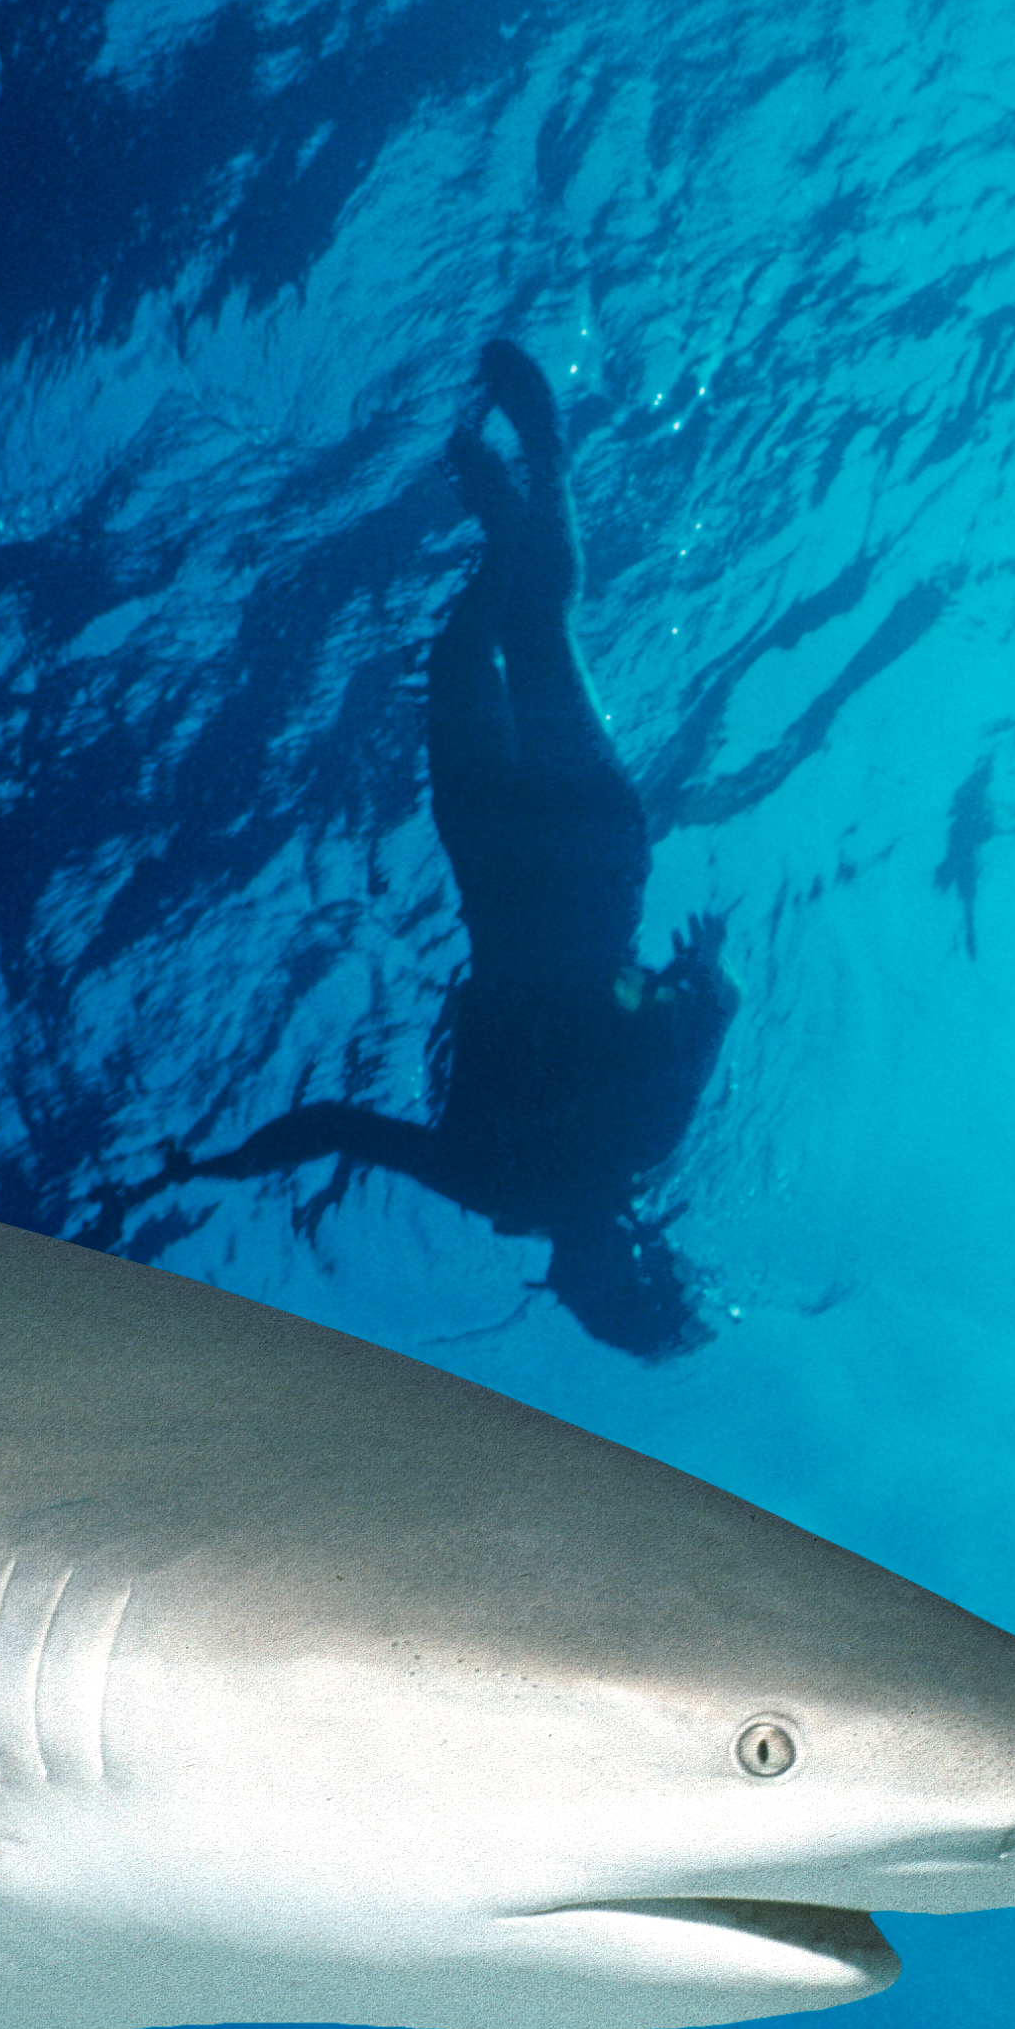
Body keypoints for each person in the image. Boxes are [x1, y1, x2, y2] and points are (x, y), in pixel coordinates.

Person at [146, 340, 732, 1357]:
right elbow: (337, 1129)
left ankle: (535, 489)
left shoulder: (637, 1145)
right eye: (591, 1290)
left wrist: (699, 965)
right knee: (478, 645)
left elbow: (715, 1009)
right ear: (577, 1283)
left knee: (521, 632)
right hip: (524, 876)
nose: (579, 1273)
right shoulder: (515, 1178)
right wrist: (216, 1168)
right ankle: (521, 508)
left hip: (585, 867)